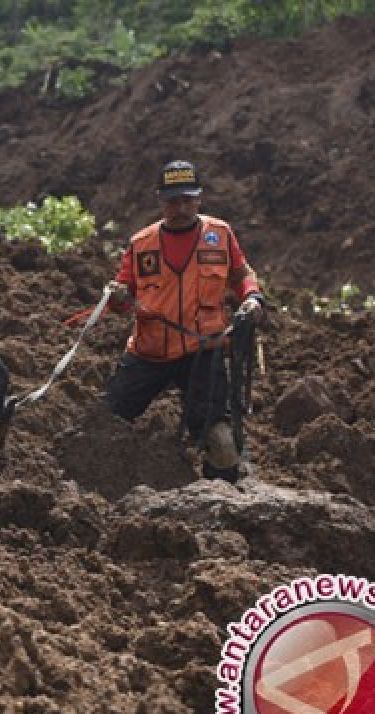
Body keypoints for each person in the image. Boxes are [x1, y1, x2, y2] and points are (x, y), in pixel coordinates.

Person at [102, 159, 265, 483]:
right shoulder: (140, 244)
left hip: (202, 351)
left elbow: (241, 275)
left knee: (221, 444)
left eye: (187, 200)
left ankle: (223, 501)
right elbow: (122, 297)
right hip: (149, 353)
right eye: (173, 201)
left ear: (199, 199)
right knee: (104, 422)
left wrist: (252, 297)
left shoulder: (220, 235)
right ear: (160, 201)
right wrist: (117, 297)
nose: (181, 208)